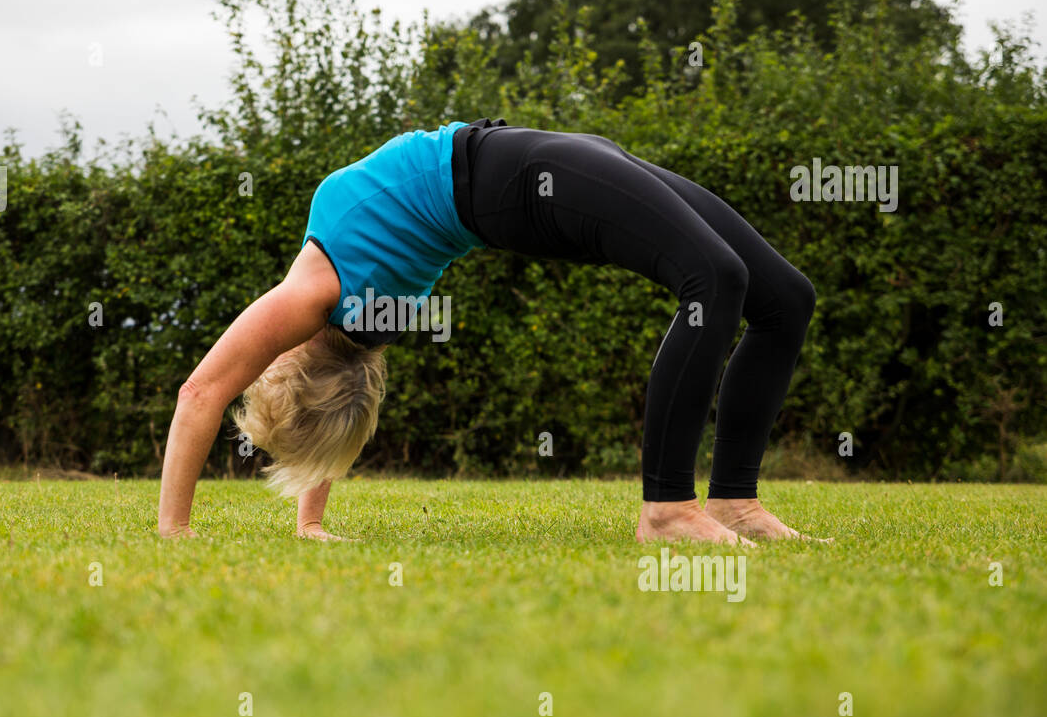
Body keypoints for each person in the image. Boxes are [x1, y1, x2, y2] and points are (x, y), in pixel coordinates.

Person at [158, 119, 823, 544]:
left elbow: (199, 394)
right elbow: (336, 399)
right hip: (517, 180)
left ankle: (735, 499)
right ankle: (668, 510)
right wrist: (312, 520)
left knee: (784, 298)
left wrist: (175, 531)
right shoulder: (349, 332)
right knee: (714, 278)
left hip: (517, 169)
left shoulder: (312, 296)